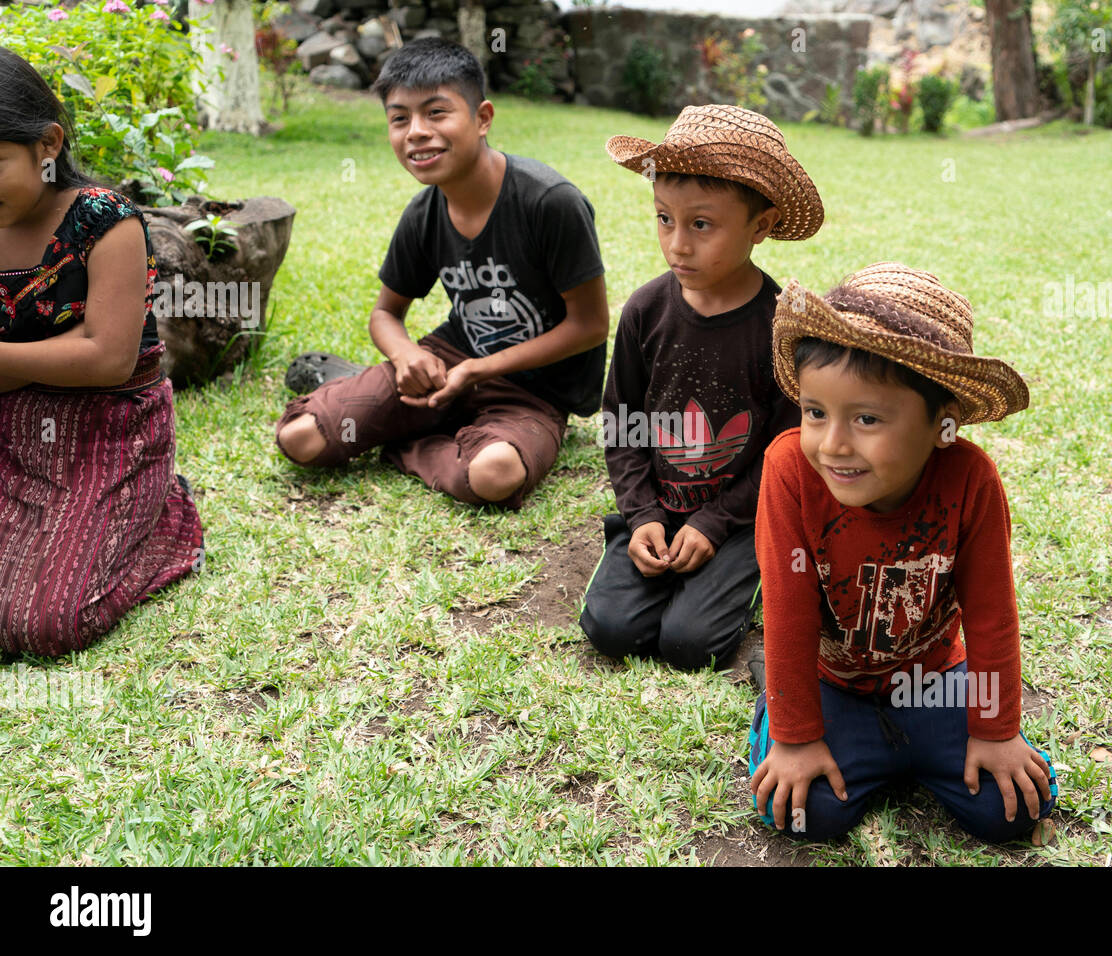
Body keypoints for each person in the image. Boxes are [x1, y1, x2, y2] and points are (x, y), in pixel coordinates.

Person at [748, 262, 1057, 843]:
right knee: (804, 811)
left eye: (867, 418)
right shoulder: (789, 471)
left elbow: (991, 615)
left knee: (1014, 810)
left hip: (935, 679)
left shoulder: (971, 480)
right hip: (831, 682)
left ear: (942, 425)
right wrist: (795, 736)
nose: (832, 444)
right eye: (815, 412)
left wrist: (996, 731)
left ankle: (904, 750)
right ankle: (772, 704)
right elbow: (788, 611)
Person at [275, 38, 609, 511]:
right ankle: (422, 420)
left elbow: (591, 326)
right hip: (445, 367)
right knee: (301, 438)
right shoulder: (423, 213)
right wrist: (406, 354)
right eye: (399, 118)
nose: (416, 132)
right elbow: (385, 314)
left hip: (532, 392)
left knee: (495, 474)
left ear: (483, 117)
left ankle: (405, 442)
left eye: (436, 113)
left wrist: (478, 370)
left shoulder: (549, 202)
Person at [579, 105, 822, 670]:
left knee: (690, 644)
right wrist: (641, 517)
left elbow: (789, 449)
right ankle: (636, 544)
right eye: (665, 219)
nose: (677, 245)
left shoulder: (780, 325)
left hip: (738, 518)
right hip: (659, 507)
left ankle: (752, 564)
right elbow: (621, 422)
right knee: (610, 628)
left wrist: (715, 523)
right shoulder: (644, 310)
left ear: (760, 227)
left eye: (701, 225)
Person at [0, 48, 202, 657]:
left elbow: (108, 357)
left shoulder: (103, 221)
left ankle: (164, 518)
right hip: (7, 425)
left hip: (103, 431)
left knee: (40, 625)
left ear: (48, 145)